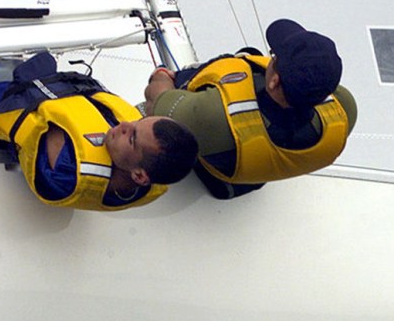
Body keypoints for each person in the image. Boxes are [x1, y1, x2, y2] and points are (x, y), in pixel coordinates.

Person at [0, 51, 199, 211]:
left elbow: (41, 95)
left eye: (133, 137)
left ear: (140, 175)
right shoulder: (151, 178)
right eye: (137, 122)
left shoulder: (68, 171)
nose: (124, 126)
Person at [144, 18, 357, 199]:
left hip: (214, 169)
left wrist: (161, 74)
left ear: (273, 82)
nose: (268, 59)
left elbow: (156, 104)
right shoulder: (345, 110)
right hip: (251, 175)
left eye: (274, 56)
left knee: (234, 62)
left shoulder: (212, 116)